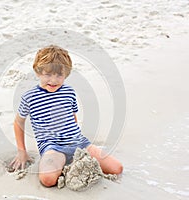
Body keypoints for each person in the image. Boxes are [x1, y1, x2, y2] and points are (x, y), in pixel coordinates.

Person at [10, 45, 123, 187]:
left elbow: (72, 117)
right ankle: (64, 164)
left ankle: (75, 161)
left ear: (66, 74)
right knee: (47, 179)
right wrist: (22, 152)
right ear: (38, 72)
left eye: (59, 75)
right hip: (53, 147)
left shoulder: (69, 92)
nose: (54, 80)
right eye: (48, 74)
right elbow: (18, 123)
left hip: (79, 143)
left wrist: (79, 142)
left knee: (117, 168)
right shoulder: (30, 97)